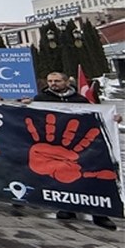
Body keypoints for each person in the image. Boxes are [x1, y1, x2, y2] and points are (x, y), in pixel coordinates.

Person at [30, 71, 119, 230]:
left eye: (57, 81)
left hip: (79, 143)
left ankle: (99, 213)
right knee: (63, 177)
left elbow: (97, 116)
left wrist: (113, 118)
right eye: (50, 81)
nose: (53, 84)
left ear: (66, 82)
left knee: (89, 176)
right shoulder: (41, 99)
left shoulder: (79, 100)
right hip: (54, 145)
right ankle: (67, 207)